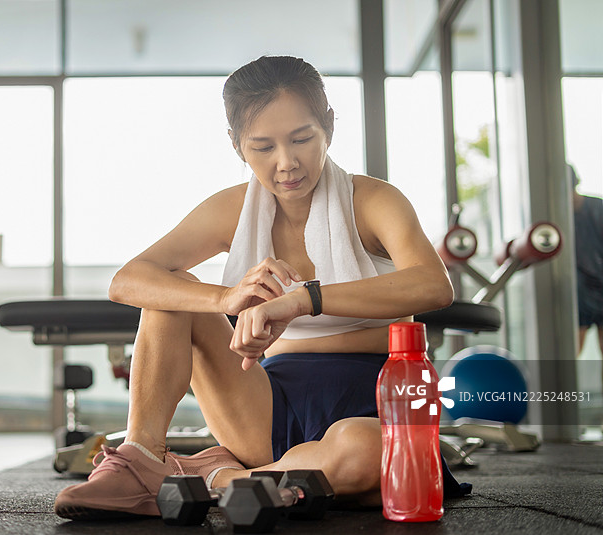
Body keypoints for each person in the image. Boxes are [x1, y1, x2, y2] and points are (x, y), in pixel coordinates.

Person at [54, 55, 461, 521]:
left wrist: (305, 300)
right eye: (263, 147)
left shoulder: (373, 201)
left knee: (371, 453)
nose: (286, 163)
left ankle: (219, 478)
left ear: (329, 124)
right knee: (169, 291)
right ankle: (141, 459)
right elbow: (127, 280)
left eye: (302, 139)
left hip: (370, 402)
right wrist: (223, 299)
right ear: (236, 145)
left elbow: (434, 285)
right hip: (264, 405)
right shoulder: (230, 209)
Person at [570, 164, 603, 362]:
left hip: (600, 284)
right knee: (572, 351)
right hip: (579, 293)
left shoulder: (598, 208)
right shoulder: (558, 216)